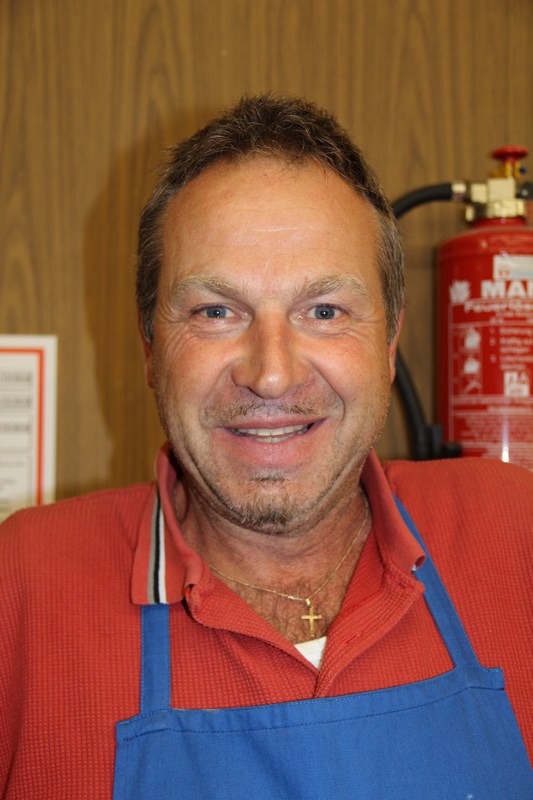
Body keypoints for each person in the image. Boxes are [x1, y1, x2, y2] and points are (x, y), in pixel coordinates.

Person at [1, 95, 532, 799]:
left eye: (324, 311)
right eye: (216, 311)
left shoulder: (515, 530)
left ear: (389, 341)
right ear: (150, 347)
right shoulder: (23, 585)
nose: (271, 373)